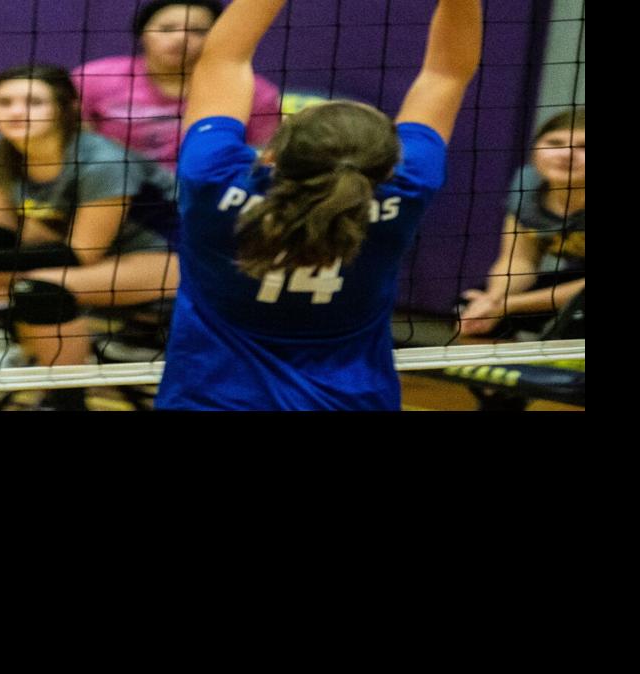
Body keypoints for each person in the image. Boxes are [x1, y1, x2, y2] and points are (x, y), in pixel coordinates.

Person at [156, 0, 482, 410]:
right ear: (387, 166)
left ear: (270, 154)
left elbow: (223, 59)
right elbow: (446, 74)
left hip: (209, 400)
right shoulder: (406, 190)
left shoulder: (212, 179)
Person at [0, 64, 179, 412]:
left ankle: (66, 402)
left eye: (33, 102)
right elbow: (1, 222)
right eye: (4, 102)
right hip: (90, 250)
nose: (16, 112)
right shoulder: (2, 147)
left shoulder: (101, 162)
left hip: (169, 255)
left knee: (43, 291)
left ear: (64, 109)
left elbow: (81, 255)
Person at [72, 0, 282, 172]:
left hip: (207, 195)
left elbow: (264, 158)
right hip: (115, 191)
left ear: (217, 38)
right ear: (142, 33)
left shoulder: (255, 92)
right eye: (167, 29)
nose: (181, 38)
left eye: (198, 31)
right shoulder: (92, 78)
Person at [456, 108, 584, 340]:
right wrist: (493, 299)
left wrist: (510, 305)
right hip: (573, 282)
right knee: (469, 305)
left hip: (579, 293)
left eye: (583, 147)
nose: (566, 154)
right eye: (555, 143)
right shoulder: (528, 184)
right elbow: (519, 260)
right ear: (535, 150)